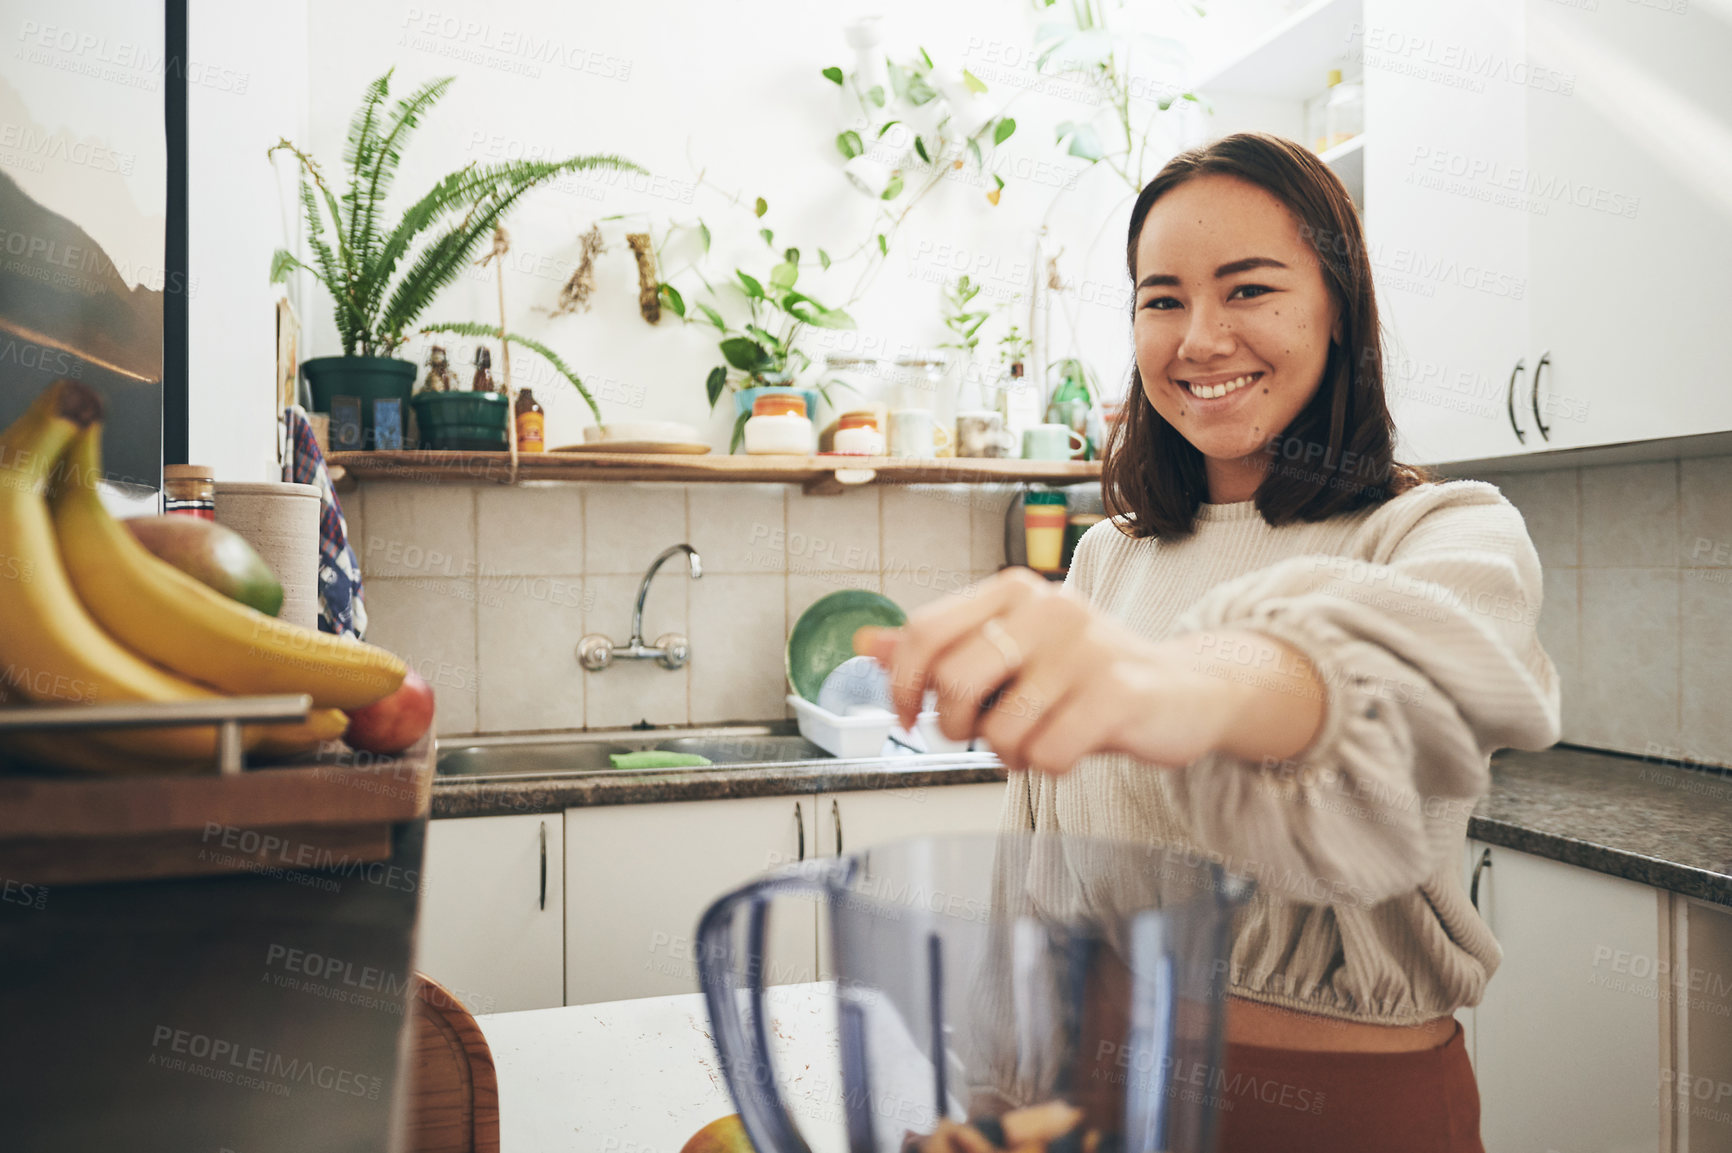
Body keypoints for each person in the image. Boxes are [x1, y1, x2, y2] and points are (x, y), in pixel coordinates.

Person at [855, 132, 1559, 1152]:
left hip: (1345, 1117)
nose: (1197, 339)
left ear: (1337, 306)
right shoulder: (1107, 558)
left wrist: (1162, 680)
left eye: (1247, 289)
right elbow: (1039, 870)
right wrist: (999, 1099)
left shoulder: (1441, 533)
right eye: (1162, 298)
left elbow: (1387, 672)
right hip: (1100, 1091)